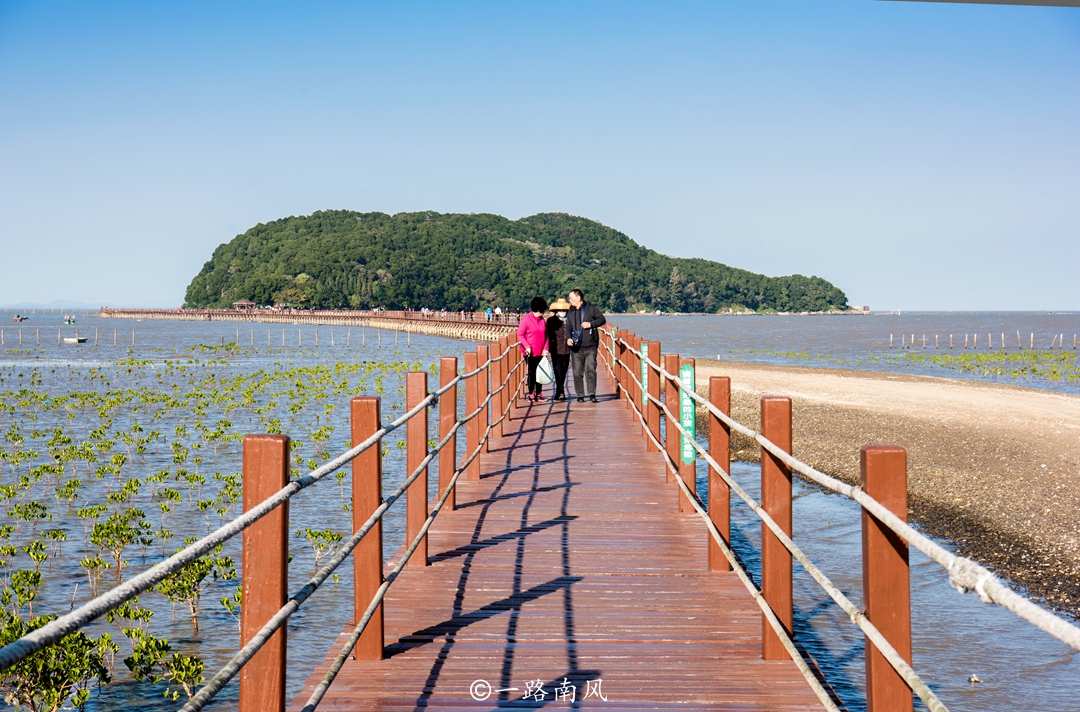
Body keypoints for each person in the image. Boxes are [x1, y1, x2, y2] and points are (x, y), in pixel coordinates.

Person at [565, 288, 606, 403]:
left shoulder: (591, 308)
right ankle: (580, 395)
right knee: (577, 372)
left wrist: (590, 324)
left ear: (578, 298)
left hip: (590, 346)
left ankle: (592, 394)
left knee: (591, 370)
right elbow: (568, 327)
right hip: (576, 348)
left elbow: (602, 319)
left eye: (571, 298)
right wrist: (568, 338)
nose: (570, 301)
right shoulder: (571, 312)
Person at [517, 296, 550, 401]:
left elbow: (546, 335)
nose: (543, 312)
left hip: (541, 351)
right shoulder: (526, 319)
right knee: (532, 373)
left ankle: (539, 393)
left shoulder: (542, 320)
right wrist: (527, 346)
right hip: (530, 352)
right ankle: (531, 393)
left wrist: (546, 348)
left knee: (540, 372)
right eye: (543, 310)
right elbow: (520, 334)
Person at [545, 298, 573, 401]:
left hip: (567, 349)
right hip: (555, 348)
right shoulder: (551, 320)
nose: (562, 312)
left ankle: (559, 391)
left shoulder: (570, 320)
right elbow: (547, 334)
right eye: (560, 310)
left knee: (564, 369)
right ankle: (560, 391)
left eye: (564, 310)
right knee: (557, 370)